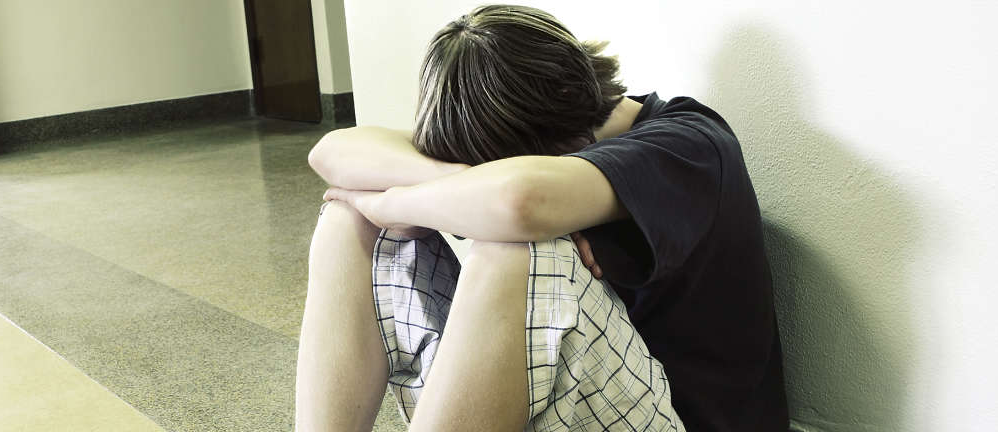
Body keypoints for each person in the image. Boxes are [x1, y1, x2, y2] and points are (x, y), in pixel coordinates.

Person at [295, 5, 787, 432]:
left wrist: (394, 204)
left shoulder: (688, 146)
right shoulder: (547, 138)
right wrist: (450, 178)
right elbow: (333, 152)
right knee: (349, 219)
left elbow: (519, 203)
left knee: (517, 247)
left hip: (677, 420)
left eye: (497, 164)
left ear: (557, 141)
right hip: (554, 396)